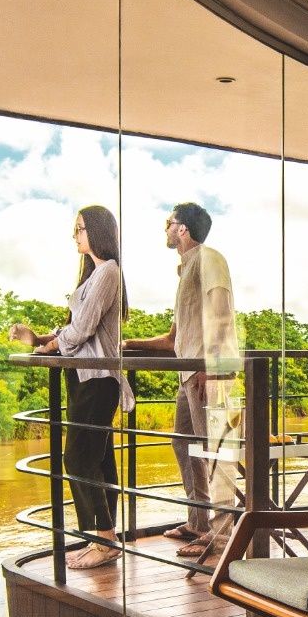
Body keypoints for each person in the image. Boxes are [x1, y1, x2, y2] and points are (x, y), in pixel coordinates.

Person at [10, 205, 136, 569]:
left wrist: (50, 345)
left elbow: (82, 330)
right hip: (84, 379)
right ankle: (103, 538)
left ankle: (105, 540)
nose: (75, 235)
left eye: (79, 228)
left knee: (78, 459)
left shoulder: (109, 271)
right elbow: (75, 328)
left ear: (96, 230)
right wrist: (38, 338)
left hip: (98, 380)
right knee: (98, 459)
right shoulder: (94, 275)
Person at [123, 201, 237, 562]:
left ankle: (222, 536)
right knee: (183, 443)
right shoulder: (187, 270)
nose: (166, 229)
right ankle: (198, 522)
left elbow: (222, 311)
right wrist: (127, 344)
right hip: (188, 373)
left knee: (215, 451)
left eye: (169, 223)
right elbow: (173, 339)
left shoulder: (209, 258)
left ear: (183, 228)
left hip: (207, 373)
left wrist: (209, 364)